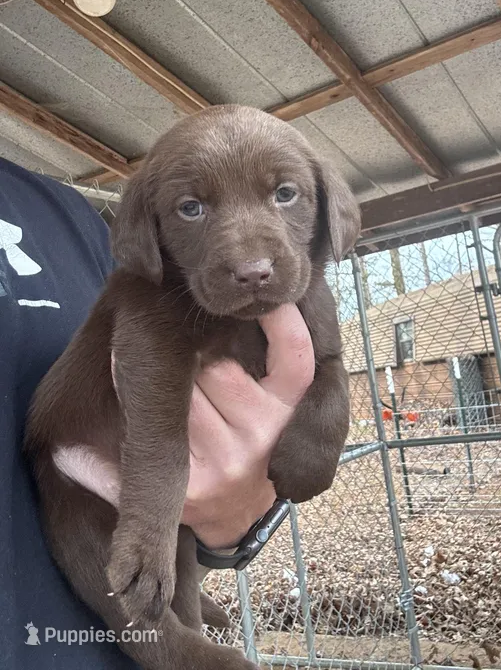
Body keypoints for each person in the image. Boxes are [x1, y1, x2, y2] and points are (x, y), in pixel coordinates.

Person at [0, 157, 315, 669]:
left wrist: (231, 526)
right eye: (192, 207)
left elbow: (179, 467)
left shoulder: (68, 215)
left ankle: (179, 623)